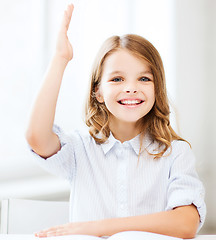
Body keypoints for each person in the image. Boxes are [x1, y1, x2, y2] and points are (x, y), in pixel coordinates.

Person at [26, 4, 206, 239]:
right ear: (98, 92)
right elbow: (37, 137)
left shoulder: (175, 153)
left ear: (157, 89)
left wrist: (97, 228)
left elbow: (186, 223)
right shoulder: (80, 149)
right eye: (117, 78)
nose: (131, 88)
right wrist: (60, 59)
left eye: (144, 78)